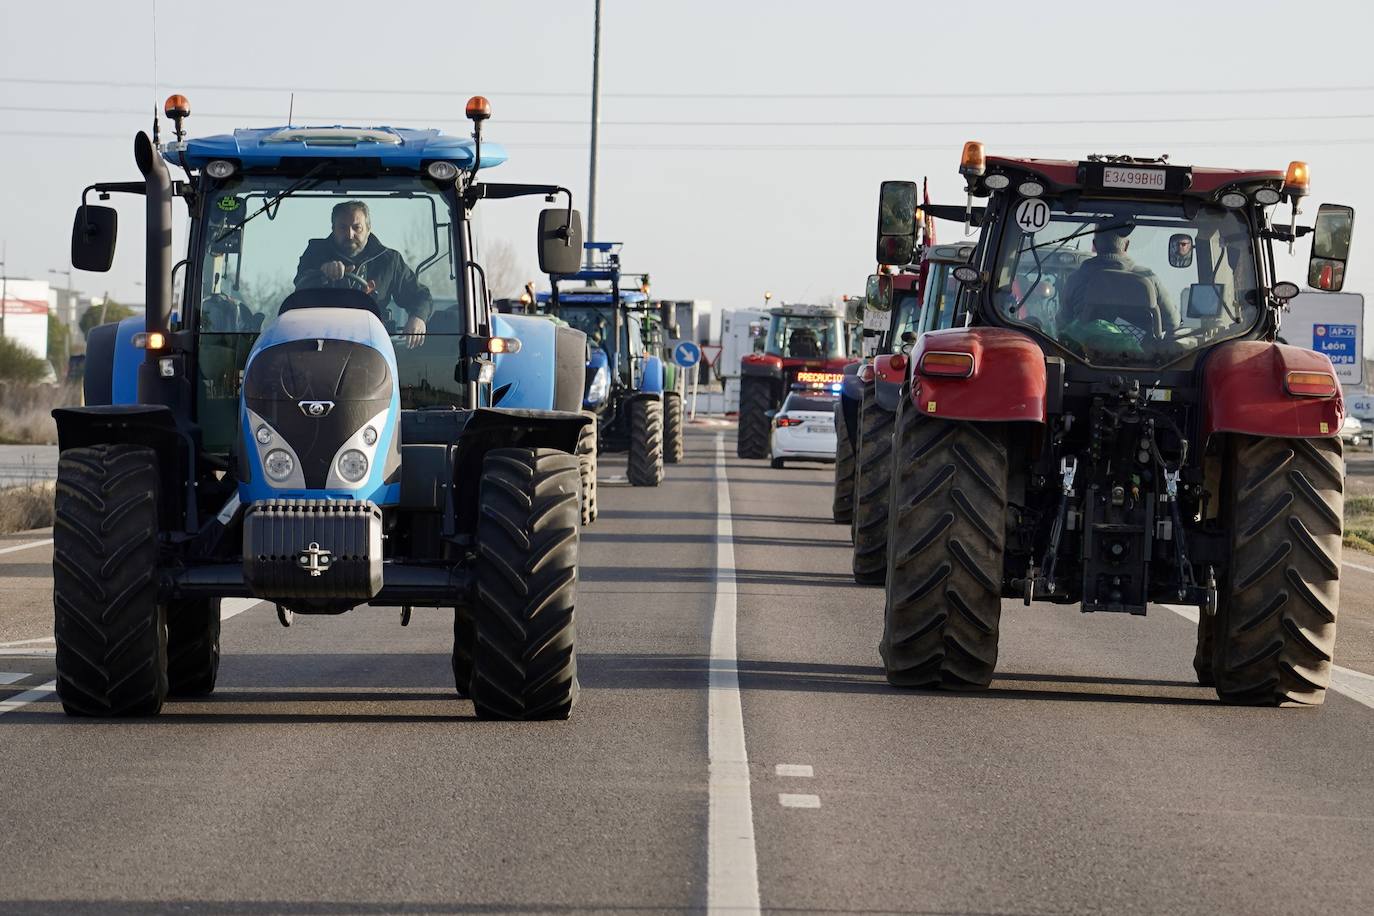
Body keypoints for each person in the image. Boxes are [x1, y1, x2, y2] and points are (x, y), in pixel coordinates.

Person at [294, 200, 433, 348]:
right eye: (343, 228)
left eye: (357, 227)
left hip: (372, 346)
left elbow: (420, 296)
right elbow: (300, 287)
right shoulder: (315, 253)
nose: (350, 234)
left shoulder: (388, 261)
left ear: (368, 228)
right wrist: (322, 273)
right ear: (333, 229)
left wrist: (418, 317)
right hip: (319, 343)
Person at [1062, 223, 1180, 335]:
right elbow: (1173, 322)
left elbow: (1062, 325)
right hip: (1141, 350)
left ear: (1095, 245)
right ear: (1126, 245)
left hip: (1084, 349)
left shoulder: (1076, 279)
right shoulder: (1148, 278)